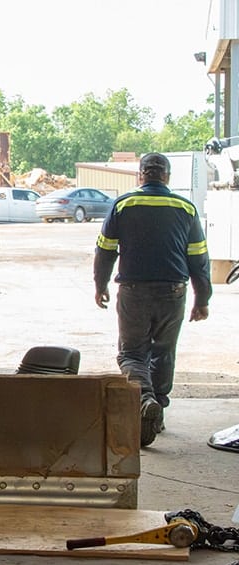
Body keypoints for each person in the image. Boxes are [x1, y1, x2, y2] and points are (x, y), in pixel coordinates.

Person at [93, 152, 212, 447]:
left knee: (132, 354)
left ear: (141, 175)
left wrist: (100, 284)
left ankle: (144, 399)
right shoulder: (186, 208)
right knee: (164, 352)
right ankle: (157, 407)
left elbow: (105, 250)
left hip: (134, 291)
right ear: (167, 177)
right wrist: (202, 298)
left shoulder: (124, 204)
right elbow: (198, 258)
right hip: (173, 292)